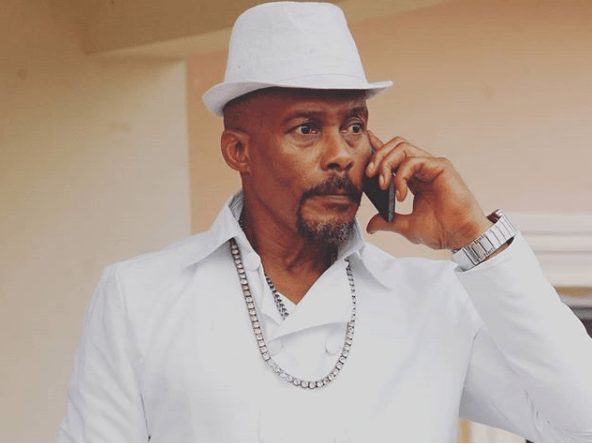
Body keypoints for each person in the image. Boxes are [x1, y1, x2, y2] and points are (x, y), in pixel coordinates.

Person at [58, 2, 592, 442]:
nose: (341, 155)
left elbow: (581, 422)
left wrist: (475, 237)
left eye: (354, 126)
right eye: (306, 129)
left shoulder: (435, 299)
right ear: (238, 150)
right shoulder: (139, 297)